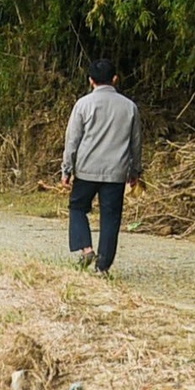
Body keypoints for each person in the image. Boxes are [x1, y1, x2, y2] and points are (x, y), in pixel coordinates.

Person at [61, 58, 142, 273]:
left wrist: (66, 170)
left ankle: (86, 249)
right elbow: (136, 143)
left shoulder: (83, 104)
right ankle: (102, 267)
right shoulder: (129, 107)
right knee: (111, 218)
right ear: (115, 79)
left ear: (90, 81)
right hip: (116, 173)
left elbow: (72, 140)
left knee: (78, 208)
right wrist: (134, 171)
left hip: (87, 170)